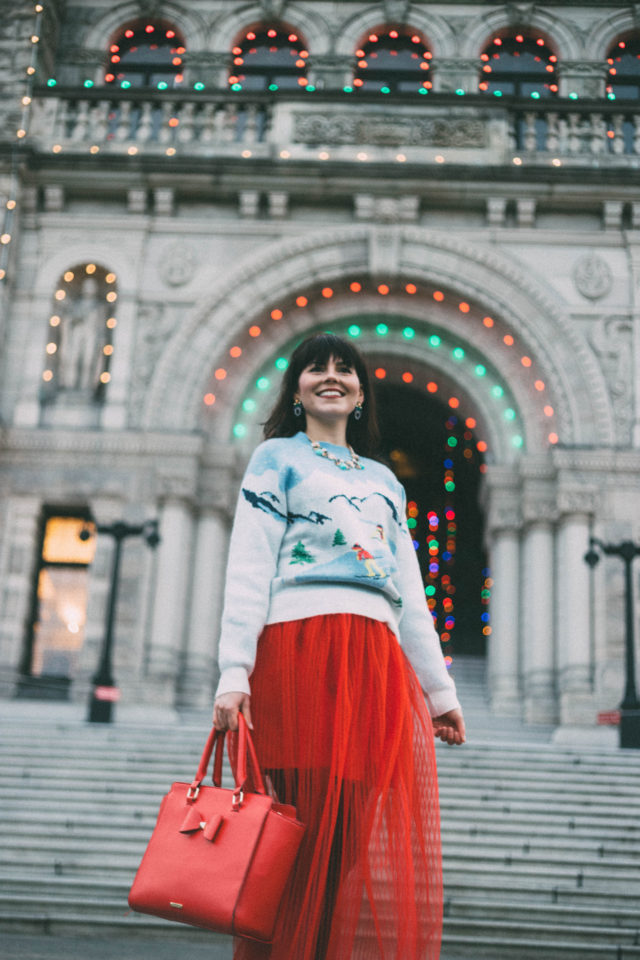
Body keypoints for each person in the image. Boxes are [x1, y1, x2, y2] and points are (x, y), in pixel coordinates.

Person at [213, 332, 465, 960]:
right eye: (315, 368)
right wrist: (233, 673)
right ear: (296, 389)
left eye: (345, 370)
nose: (332, 377)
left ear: (360, 392)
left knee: (346, 840)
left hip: (374, 662)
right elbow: (248, 569)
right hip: (299, 652)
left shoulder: (384, 482)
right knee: (295, 828)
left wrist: (440, 693)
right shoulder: (275, 459)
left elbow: (409, 592)